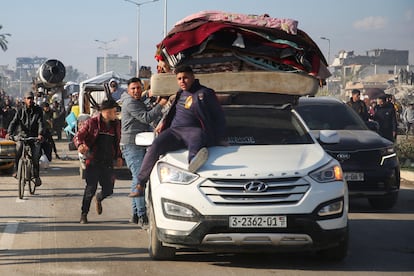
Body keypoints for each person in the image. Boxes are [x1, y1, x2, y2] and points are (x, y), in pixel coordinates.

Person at [129, 65, 227, 197]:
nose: (182, 81)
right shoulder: (180, 93)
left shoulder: (205, 93)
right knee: (156, 145)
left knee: (196, 139)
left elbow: (219, 116)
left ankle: (193, 163)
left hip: (194, 130)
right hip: (175, 131)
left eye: (185, 78)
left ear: (192, 77)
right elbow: (171, 113)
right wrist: (162, 124)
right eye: (179, 78)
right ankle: (140, 184)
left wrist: (220, 137)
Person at [120, 77, 168, 224]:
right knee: (139, 179)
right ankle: (142, 215)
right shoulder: (130, 102)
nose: (136, 91)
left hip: (139, 142)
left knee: (136, 178)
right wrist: (161, 104)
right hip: (131, 145)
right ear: (128, 90)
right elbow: (146, 118)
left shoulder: (138, 100)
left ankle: (135, 214)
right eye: (133, 88)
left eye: (138, 88)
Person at [73, 99, 123, 224]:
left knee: (109, 189)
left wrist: (119, 156)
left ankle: (99, 198)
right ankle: (84, 214)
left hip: (107, 162)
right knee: (90, 188)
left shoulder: (116, 124)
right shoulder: (92, 122)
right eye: (114, 111)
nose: (116, 113)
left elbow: (117, 142)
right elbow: (78, 136)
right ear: (106, 111)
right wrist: (80, 145)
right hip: (93, 160)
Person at [6, 91, 44, 186]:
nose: (30, 100)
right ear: (24, 100)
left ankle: (36, 176)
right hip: (22, 135)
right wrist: (9, 133)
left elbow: (40, 123)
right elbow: (13, 122)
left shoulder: (38, 110)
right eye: (28, 98)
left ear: (33, 99)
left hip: (34, 136)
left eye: (31, 98)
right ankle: (16, 170)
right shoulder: (20, 110)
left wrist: (40, 134)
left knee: (35, 156)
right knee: (18, 149)